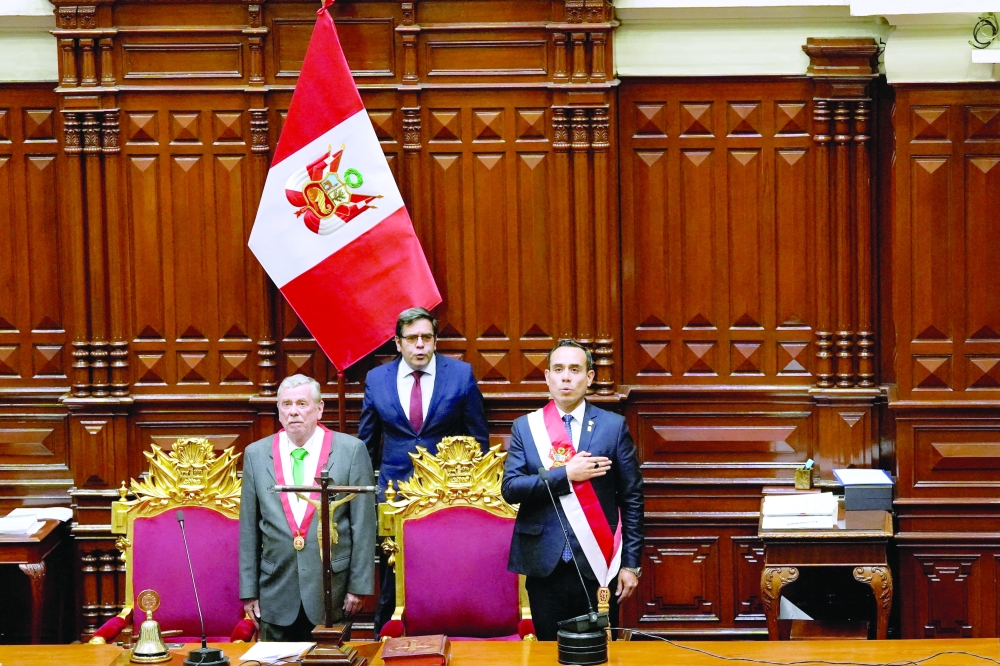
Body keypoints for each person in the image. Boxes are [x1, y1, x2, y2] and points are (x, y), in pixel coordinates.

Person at [357, 306, 490, 635]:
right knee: (393, 575)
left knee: (445, 570)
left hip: (448, 494)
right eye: (412, 338)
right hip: (395, 494)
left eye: (426, 338)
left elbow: (479, 439)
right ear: (398, 343)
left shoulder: (460, 375)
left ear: (435, 341)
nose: (420, 345)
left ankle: (450, 633)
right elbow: (367, 442)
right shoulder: (377, 379)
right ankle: (384, 638)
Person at [502, 340, 644, 641]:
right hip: (544, 564)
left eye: (575, 370)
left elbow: (632, 499)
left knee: (598, 652)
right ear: (547, 377)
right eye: (559, 369)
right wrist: (565, 474)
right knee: (547, 655)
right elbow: (511, 488)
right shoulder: (526, 428)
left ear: (589, 378)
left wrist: (631, 564)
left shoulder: (613, 427)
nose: (566, 377)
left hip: (598, 562)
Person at [239, 374, 376, 641]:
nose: (293, 412)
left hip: (331, 592)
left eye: (302, 403)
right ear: (278, 410)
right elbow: (248, 529)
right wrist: (249, 592)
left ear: (320, 408)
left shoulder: (351, 451)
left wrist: (358, 587)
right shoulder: (256, 454)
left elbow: (364, 525)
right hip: (275, 590)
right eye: (286, 404)